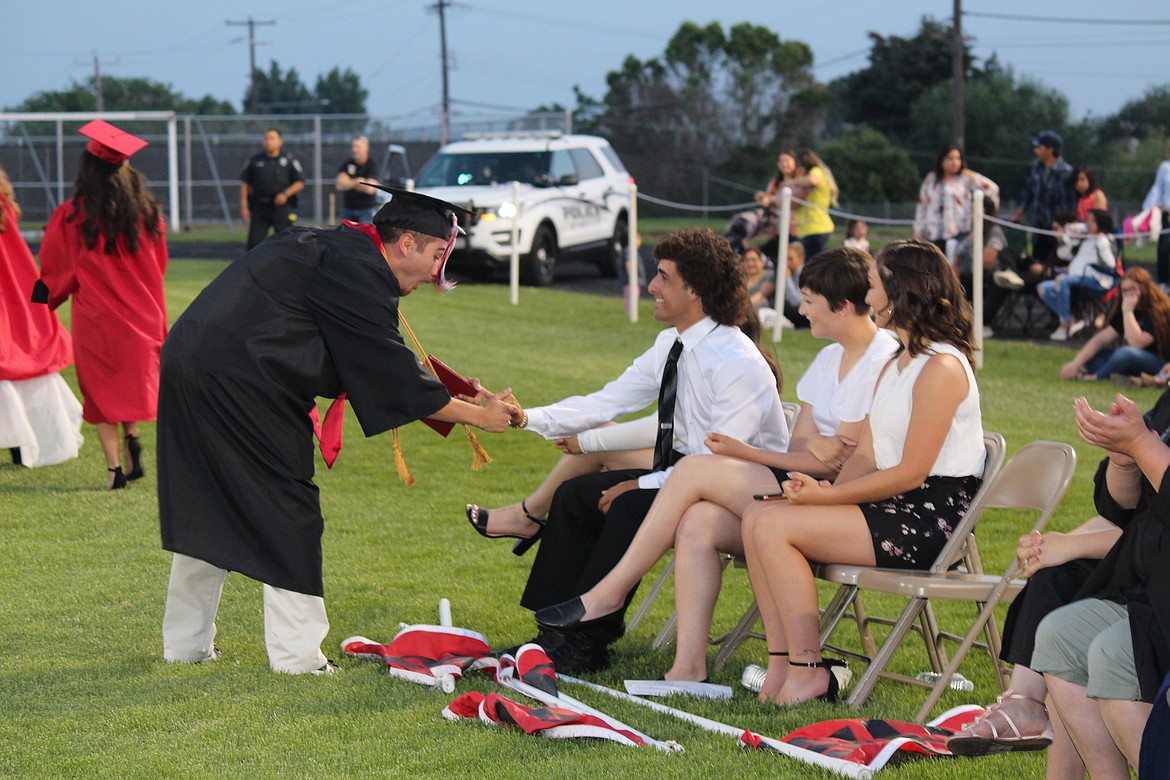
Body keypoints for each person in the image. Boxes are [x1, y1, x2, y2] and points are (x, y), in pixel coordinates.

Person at [158, 188, 517, 675]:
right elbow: (385, 367)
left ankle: (186, 645)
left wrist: (460, 397)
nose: (438, 271)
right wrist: (479, 416)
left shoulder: (335, 248)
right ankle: (298, 658)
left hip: (196, 362)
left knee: (208, 501)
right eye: (437, 255)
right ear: (406, 243)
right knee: (288, 509)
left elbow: (367, 357)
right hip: (241, 380)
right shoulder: (356, 268)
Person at [534, 248, 899, 683]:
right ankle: (688, 668)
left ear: (841, 306)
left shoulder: (883, 358)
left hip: (837, 504)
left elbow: (853, 457)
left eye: (808, 299)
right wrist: (812, 450)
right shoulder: (826, 360)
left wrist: (775, 455)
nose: (799, 309)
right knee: (697, 520)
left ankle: (606, 598)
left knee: (685, 475)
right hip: (791, 482)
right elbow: (805, 446)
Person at [478, 228, 790, 673]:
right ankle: (552, 634)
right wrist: (524, 417)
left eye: (663, 277)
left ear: (695, 291)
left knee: (626, 505)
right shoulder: (673, 344)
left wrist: (640, 483)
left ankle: (585, 642)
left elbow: (717, 463)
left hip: (740, 493)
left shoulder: (736, 362)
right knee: (576, 494)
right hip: (689, 476)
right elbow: (607, 401)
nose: (652, 287)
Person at [739, 239, 985, 706]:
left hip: (930, 516)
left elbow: (913, 473)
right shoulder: (898, 361)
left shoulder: (943, 367)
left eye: (873, 287)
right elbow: (868, 455)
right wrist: (820, 488)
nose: (868, 299)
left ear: (902, 291)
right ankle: (781, 664)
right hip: (894, 502)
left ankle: (809, 669)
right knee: (757, 518)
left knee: (773, 526)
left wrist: (826, 499)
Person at [1027, 392, 1170, 777]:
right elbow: (1120, 509)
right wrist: (1125, 461)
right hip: (1146, 582)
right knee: (1061, 634)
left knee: (1113, 654)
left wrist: (1141, 444)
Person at [34, 120, 168, 489]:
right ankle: (133, 440)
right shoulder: (146, 212)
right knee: (128, 383)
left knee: (102, 394)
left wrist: (41, 295)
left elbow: (58, 266)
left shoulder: (74, 216)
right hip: (143, 314)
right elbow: (159, 266)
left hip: (99, 318)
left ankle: (115, 472)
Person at [0, 165, 82, 468]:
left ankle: (16, 439)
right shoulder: (5, 201)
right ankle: (23, 444)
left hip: (8, 286)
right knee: (20, 360)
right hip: (16, 284)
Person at [1058, 268, 1170, 382]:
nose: (1128, 295)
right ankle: (1125, 376)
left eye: (1133, 289)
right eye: (1125, 291)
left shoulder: (1159, 310)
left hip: (1161, 363)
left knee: (1125, 354)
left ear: (1144, 288)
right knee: (1091, 357)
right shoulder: (1127, 307)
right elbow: (1101, 339)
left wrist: (1128, 312)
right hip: (1136, 360)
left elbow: (1137, 343)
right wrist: (1075, 364)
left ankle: (1097, 377)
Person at [1039, 209, 1118, 342]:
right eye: (1087, 220)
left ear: (1100, 223)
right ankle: (1072, 319)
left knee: (1063, 281)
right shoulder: (1085, 239)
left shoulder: (1107, 240)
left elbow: (1110, 264)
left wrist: (1101, 242)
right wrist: (1070, 239)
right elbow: (1063, 255)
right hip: (1075, 279)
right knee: (1043, 288)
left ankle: (1064, 326)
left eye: (1091, 221)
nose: (1087, 224)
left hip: (1097, 281)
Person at [912, 145, 1000, 261]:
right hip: (933, 233)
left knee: (953, 264)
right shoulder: (931, 179)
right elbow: (922, 206)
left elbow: (992, 188)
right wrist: (917, 231)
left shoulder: (966, 179)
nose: (954, 162)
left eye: (957, 158)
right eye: (950, 158)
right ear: (941, 160)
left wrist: (971, 174)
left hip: (959, 233)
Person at [1011, 130, 1077, 269]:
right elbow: (1028, 190)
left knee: (1056, 262)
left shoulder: (1066, 172)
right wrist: (1020, 209)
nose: (1036, 151)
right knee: (1036, 262)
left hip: (1056, 229)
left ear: (1050, 150)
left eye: (1039, 147)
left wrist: (1064, 225)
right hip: (1038, 225)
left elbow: (1069, 203)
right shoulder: (1035, 168)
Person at [240, 128, 305, 250]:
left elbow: (300, 182)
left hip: (281, 207)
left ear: (280, 141)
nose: (268, 141)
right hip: (260, 206)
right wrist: (244, 207)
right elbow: (245, 184)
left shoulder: (288, 160)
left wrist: (285, 194)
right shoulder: (255, 160)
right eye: (266, 138)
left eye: (272, 138)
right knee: (254, 243)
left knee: (286, 242)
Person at [790, 148, 839, 260]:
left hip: (816, 228)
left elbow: (813, 180)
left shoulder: (816, 171)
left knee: (813, 266)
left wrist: (792, 182)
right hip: (805, 229)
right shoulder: (804, 183)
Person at [755, 150, 802, 261]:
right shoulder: (774, 183)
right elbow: (767, 200)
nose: (784, 164)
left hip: (795, 230)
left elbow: (797, 202)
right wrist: (762, 197)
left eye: (787, 160)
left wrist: (771, 200)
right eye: (781, 161)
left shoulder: (800, 181)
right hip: (776, 230)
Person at [1141, 139, 1170, 286]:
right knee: (1164, 248)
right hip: (1167, 215)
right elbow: (1158, 189)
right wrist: (1155, 207)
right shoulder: (1165, 167)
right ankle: (1163, 283)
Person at [335, 136, 380, 224]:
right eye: (353, 147)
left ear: (366, 148)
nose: (354, 150)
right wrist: (358, 181)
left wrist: (349, 183)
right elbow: (340, 185)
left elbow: (370, 189)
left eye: (357, 147)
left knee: (365, 236)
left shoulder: (371, 166)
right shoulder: (347, 164)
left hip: (366, 210)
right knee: (344, 235)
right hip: (348, 208)